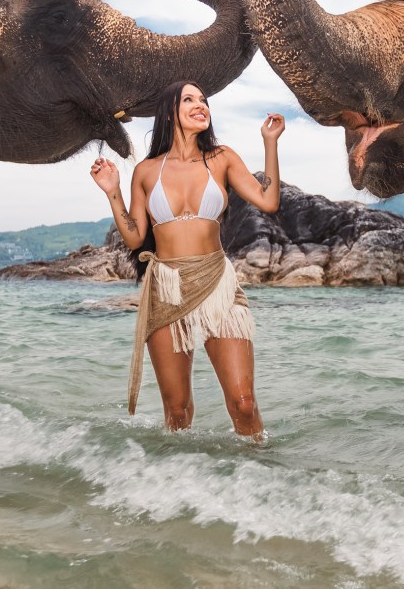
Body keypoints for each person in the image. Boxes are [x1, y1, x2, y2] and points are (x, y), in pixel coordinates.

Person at [90, 80, 284, 439]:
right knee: (176, 410)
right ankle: (181, 485)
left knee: (243, 403)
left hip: (216, 281)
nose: (201, 105)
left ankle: (261, 475)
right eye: (189, 100)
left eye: (204, 100)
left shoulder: (222, 157)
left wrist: (270, 143)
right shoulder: (147, 171)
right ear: (169, 113)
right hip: (166, 287)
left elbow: (268, 200)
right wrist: (112, 191)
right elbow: (134, 236)